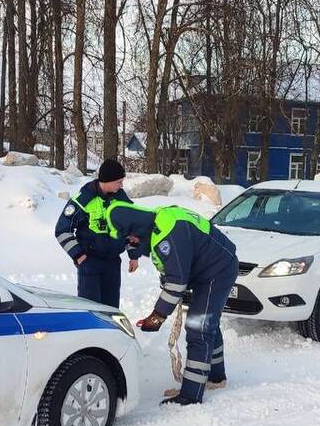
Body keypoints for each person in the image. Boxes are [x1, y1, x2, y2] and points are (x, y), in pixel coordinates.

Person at [106, 202, 239, 406]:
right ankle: (216, 377)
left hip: (217, 271)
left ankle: (191, 395)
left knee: (198, 327)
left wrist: (157, 316)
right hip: (210, 268)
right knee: (207, 323)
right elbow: (174, 269)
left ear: (134, 229)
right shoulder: (157, 223)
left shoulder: (168, 232)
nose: (130, 242)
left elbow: (177, 281)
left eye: (129, 238)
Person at [53, 159, 139, 308]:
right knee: (90, 309)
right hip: (90, 262)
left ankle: (110, 332)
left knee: (111, 311)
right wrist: (79, 256)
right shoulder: (84, 199)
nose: (122, 185)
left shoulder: (121, 199)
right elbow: (62, 230)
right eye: (119, 181)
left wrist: (133, 256)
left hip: (112, 263)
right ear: (107, 181)